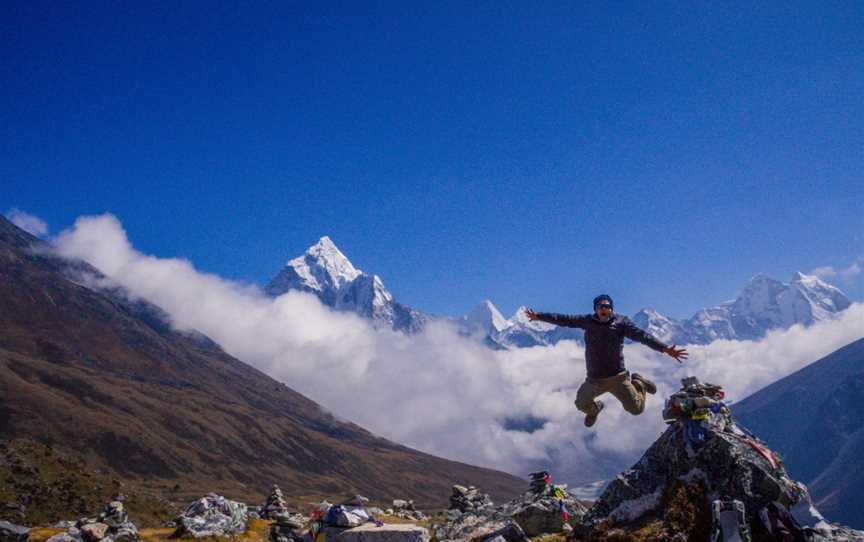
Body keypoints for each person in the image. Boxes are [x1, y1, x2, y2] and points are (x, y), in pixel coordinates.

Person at [525, 294, 688, 427]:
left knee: (637, 410)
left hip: (619, 378)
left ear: (612, 309)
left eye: (607, 306)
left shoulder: (621, 323)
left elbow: (643, 336)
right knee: (581, 404)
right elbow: (563, 319)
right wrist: (539, 316)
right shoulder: (587, 321)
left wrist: (665, 349)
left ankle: (639, 384)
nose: (604, 309)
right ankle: (595, 410)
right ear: (595, 309)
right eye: (601, 306)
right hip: (595, 380)